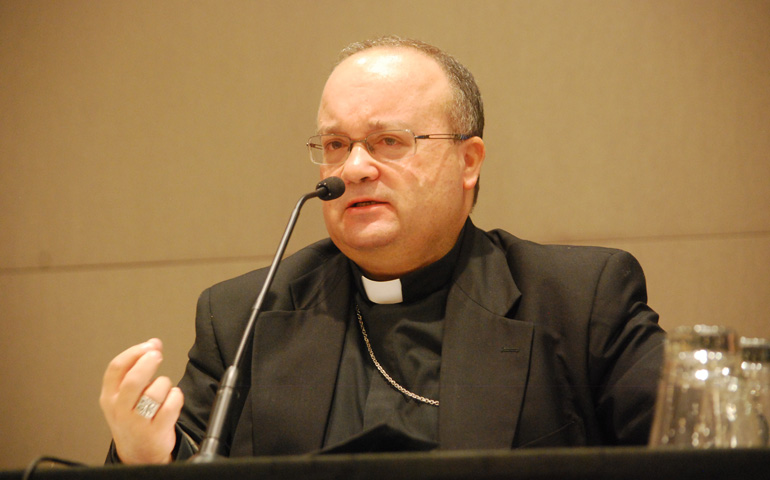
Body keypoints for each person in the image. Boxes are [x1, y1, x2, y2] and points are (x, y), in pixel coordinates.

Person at [100, 35, 665, 464]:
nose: (353, 169)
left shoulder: (579, 299)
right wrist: (143, 455)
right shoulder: (244, 315)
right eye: (336, 145)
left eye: (388, 141)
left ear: (468, 163)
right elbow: (181, 449)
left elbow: (698, 448)